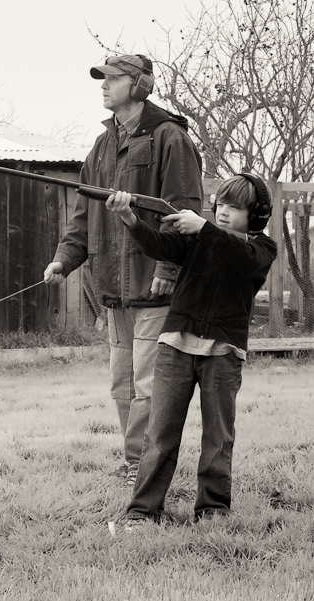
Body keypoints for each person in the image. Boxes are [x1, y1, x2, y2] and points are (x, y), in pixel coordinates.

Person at [43, 54, 204, 487]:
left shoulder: (170, 138)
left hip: (155, 285)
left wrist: (168, 269)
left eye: (112, 79)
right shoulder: (102, 145)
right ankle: (135, 460)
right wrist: (64, 259)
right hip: (114, 290)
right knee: (122, 384)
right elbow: (82, 216)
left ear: (139, 86)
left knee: (150, 386)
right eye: (102, 79)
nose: (103, 86)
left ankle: (143, 467)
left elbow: (183, 211)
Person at [104, 174, 277, 524]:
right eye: (222, 205)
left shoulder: (261, 248)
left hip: (224, 353)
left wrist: (203, 228)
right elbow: (159, 246)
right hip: (175, 347)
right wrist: (129, 217)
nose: (224, 212)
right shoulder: (200, 238)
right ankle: (143, 511)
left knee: (218, 438)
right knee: (159, 435)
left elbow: (240, 257)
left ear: (255, 215)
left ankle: (213, 510)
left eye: (236, 207)